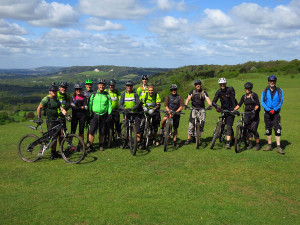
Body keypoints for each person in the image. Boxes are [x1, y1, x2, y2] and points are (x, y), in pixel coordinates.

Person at [36, 84, 71, 159]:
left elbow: (61, 109)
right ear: (49, 92)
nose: (54, 92)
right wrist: (39, 117)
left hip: (57, 120)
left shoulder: (57, 100)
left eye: (55, 91)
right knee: (53, 138)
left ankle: (55, 152)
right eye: (53, 91)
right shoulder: (46, 99)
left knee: (58, 136)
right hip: (50, 121)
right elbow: (39, 108)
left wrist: (67, 115)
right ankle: (53, 153)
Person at [261, 75, 284, 154]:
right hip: (267, 113)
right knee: (268, 129)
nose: (272, 82)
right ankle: (269, 146)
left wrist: (274, 109)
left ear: (275, 82)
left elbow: (280, 101)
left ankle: (278, 147)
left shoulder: (279, 90)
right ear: (268, 82)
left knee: (277, 129)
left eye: (273, 81)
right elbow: (262, 102)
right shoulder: (264, 91)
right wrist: (268, 109)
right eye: (270, 81)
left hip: (276, 113)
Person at [234, 82, 261, 150]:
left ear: (251, 89)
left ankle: (258, 144)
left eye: (249, 88)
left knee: (254, 129)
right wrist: (234, 110)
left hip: (254, 115)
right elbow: (239, 104)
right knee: (249, 129)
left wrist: (255, 109)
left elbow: (257, 104)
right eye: (246, 88)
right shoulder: (244, 97)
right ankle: (250, 144)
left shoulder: (254, 95)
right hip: (247, 114)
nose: (247, 90)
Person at [184, 80, 212, 145]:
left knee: (202, 124)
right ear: (195, 86)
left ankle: (199, 139)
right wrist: (186, 104)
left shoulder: (204, 92)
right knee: (191, 124)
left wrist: (210, 105)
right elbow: (188, 99)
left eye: (199, 84)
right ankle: (188, 139)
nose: (198, 85)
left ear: (200, 85)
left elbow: (207, 99)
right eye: (196, 84)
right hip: (194, 109)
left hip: (202, 109)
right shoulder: (192, 92)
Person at [87, 79, 112, 151]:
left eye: (103, 85)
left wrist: (109, 113)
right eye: (100, 85)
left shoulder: (107, 95)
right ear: (98, 85)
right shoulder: (93, 94)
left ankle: (100, 145)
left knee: (102, 131)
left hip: (103, 115)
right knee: (91, 131)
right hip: (94, 115)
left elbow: (109, 105)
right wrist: (89, 114)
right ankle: (90, 146)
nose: (102, 86)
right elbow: (90, 104)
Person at [212, 78, 237, 149]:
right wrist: (217, 107)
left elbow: (233, 100)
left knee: (229, 126)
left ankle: (228, 143)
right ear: (219, 85)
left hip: (231, 110)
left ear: (226, 84)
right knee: (226, 125)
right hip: (223, 110)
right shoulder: (218, 92)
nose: (222, 85)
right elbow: (213, 102)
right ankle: (233, 139)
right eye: (221, 84)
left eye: (223, 84)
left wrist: (234, 109)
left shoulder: (230, 90)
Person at [119, 81, 142, 146]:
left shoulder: (135, 94)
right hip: (127, 113)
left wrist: (132, 109)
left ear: (132, 87)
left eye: (130, 86)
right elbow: (120, 104)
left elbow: (138, 103)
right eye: (128, 86)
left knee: (137, 128)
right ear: (126, 87)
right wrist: (124, 109)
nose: (129, 87)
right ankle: (128, 140)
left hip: (134, 113)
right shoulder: (123, 94)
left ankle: (138, 142)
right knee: (127, 127)